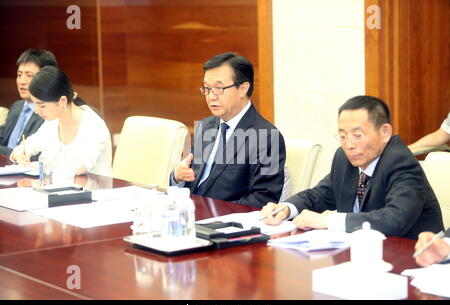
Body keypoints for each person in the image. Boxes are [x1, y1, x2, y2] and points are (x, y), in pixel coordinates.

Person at [261, 95, 444, 239]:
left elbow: (394, 219)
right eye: (342, 136)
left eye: (357, 135)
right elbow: (319, 195)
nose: (349, 144)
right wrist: (286, 208)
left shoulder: (401, 162)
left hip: (412, 259)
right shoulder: (344, 158)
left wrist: (327, 220)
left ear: (385, 132)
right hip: (360, 254)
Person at [170, 52, 286, 208]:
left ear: (243, 89)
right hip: (190, 214)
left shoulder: (267, 137)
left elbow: (262, 199)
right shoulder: (206, 126)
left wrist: (211, 213)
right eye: (206, 88)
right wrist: (177, 177)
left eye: (218, 88)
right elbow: (192, 180)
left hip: (222, 223)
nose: (211, 97)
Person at [10, 66, 112, 177]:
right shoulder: (52, 122)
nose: (36, 111)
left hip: (92, 190)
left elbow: (80, 167)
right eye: (34, 104)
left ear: (62, 101)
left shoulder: (94, 126)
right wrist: (20, 154)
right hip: (55, 189)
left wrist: (42, 167)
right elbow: (25, 147)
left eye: (42, 105)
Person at [0, 49, 57, 157]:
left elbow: (30, 155)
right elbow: (3, 136)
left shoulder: (49, 112)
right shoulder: (17, 106)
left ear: (46, 78)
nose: (22, 81)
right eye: (19, 75)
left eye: (29, 75)